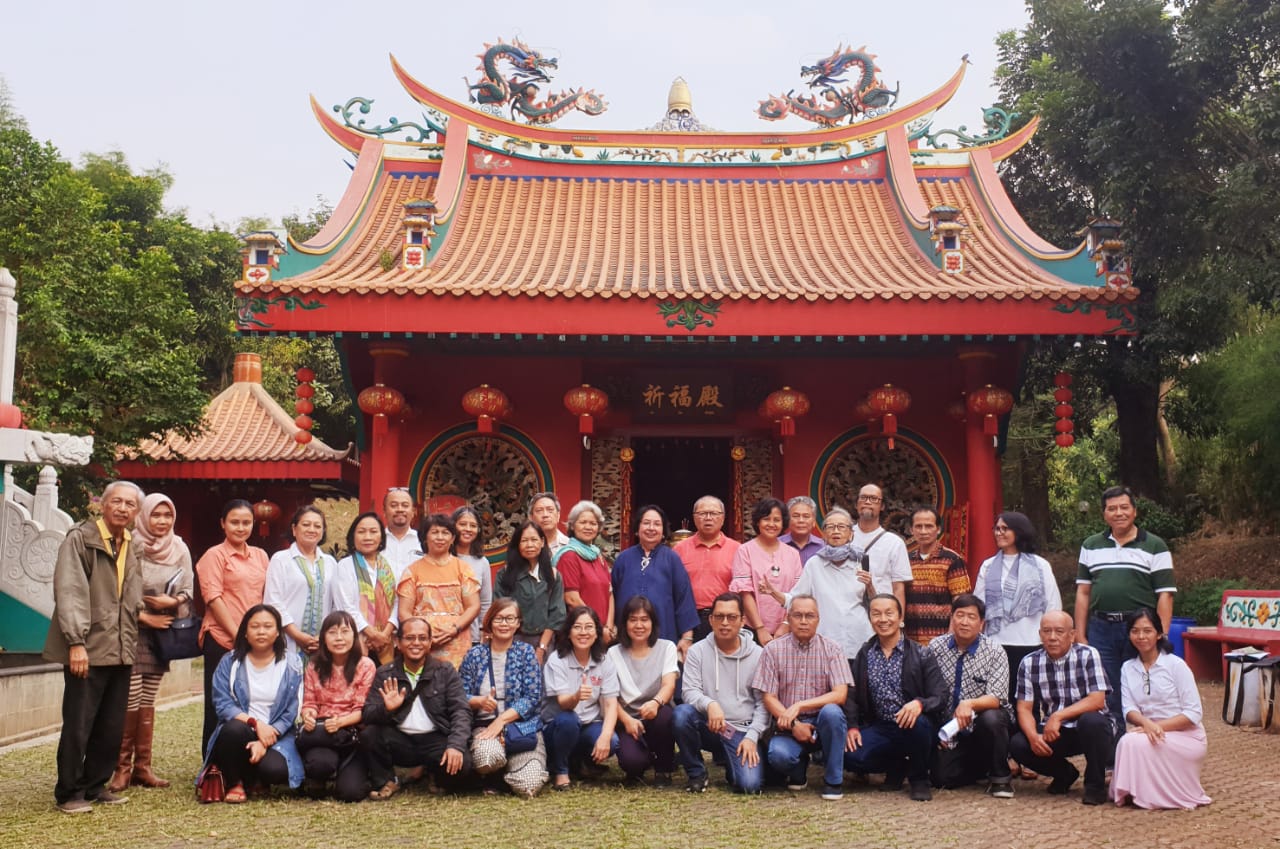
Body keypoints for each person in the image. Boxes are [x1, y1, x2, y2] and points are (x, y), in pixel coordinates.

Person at [44, 481, 144, 813]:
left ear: (136, 512)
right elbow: (70, 591)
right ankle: (70, 791)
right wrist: (76, 643)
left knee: (111, 723)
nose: (123, 508)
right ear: (103, 504)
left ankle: (95, 784)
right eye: (117, 501)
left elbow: (131, 598)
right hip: (87, 646)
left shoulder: (132, 544)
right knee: (79, 723)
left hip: (120, 647)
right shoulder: (81, 538)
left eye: (130, 504)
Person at [109, 492, 193, 792]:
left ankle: (143, 767)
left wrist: (172, 600)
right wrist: (145, 617)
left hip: (162, 635)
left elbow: (188, 589)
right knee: (130, 698)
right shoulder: (130, 545)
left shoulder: (179, 547)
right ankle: (122, 768)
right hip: (133, 631)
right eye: (156, 515)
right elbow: (116, 591)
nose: (161, 521)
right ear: (144, 516)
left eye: (167, 515)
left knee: (147, 699)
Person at [1076, 486, 1177, 729]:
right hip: (1101, 629)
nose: (1118, 513)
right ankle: (1115, 756)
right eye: (1112, 508)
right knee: (1106, 691)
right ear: (1104, 514)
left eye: (1124, 507)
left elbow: (1165, 594)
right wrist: (1080, 634)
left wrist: (1160, 632)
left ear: (1134, 511)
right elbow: (1083, 592)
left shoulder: (1155, 545)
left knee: (1142, 687)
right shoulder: (1091, 545)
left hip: (1139, 629)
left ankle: (1147, 746)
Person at [845, 594, 947, 802]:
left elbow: (940, 695)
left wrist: (920, 704)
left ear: (901, 618)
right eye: (876, 614)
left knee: (917, 723)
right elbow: (852, 695)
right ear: (870, 619)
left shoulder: (921, 653)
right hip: (882, 726)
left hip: (915, 725)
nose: (883, 619)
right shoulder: (865, 654)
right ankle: (897, 764)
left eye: (889, 613)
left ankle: (919, 778)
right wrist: (853, 726)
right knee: (849, 756)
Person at [200, 604, 304, 803]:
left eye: (267, 626)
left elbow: (293, 710)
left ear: (277, 633)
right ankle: (235, 783)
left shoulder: (292, 664)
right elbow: (223, 704)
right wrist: (256, 725)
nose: (261, 631)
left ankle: (256, 778)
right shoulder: (230, 662)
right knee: (232, 731)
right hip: (243, 728)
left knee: (275, 771)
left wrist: (266, 738)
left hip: (277, 733)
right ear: (245, 632)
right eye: (255, 626)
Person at [360, 616, 473, 799]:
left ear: (430, 642)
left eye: (422, 638)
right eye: (410, 638)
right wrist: (387, 709)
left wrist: (455, 746)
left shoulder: (445, 671)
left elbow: (461, 711)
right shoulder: (385, 673)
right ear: (398, 642)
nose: (416, 643)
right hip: (400, 740)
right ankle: (388, 780)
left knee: (464, 765)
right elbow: (368, 714)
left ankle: (434, 775)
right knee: (370, 734)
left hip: (435, 738)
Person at [1008, 611, 1114, 805]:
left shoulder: (1088, 654)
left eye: (1059, 631)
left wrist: (1058, 716)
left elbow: (1097, 700)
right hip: (1056, 732)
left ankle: (1095, 785)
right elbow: (1024, 708)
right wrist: (1033, 737)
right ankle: (1064, 773)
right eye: (1047, 631)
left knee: (1092, 721)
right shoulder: (1029, 662)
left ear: (1072, 635)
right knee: (1018, 744)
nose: (1052, 637)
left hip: (1090, 727)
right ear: (1040, 635)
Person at [1110, 608, 1210, 809]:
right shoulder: (1128, 668)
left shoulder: (1176, 665)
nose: (1141, 636)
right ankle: (1131, 792)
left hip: (1186, 735)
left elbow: (1193, 713)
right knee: (1127, 741)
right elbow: (1129, 708)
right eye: (1135, 631)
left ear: (1158, 634)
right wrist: (1147, 724)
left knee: (1136, 743)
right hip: (1148, 732)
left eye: (1147, 631)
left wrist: (1157, 727)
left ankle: (1153, 796)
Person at [753, 595, 851, 801]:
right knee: (778, 756)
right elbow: (768, 697)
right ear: (789, 618)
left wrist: (800, 705)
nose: (804, 621)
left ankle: (833, 780)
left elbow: (840, 695)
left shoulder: (832, 649)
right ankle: (798, 769)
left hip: (822, 723)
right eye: (798, 615)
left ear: (818, 619)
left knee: (833, 712)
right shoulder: (773, 650)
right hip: (788, 726)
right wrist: (795, 723)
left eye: (810, 616)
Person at [673, 592, 769, 794]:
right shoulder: (697, 651)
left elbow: (763, 704)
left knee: (749, 786)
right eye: (719, 617)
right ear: (711, 620)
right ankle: (696, 773)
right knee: (682, 715)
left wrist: (752, 737)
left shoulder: (758, 654)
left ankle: (731, 761)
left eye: (732, 617)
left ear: (743, 621)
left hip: (741, 731)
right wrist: (710, 704)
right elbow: (689, 691)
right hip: (711, 724)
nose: (725, 623)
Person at [197, 499, 270, 753]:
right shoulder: (213, 556)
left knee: (249, 702)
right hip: (221, 639)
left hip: (255, 641)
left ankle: (244, 760)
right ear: (223, 524)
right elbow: (214, 598)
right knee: (219, 703)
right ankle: (213, 765)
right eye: (234, 522)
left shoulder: (260, 556)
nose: (241, 528)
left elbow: (265, 597)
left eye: (246, 522)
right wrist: (239, 634)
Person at [925, 594, 1016, 797]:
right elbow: (928, 690)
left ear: (982, 623)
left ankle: (1000, 778)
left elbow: (997, 697)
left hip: (983, 726)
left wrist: (970, 704)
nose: (964, 622)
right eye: (960, 615)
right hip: (950, 731)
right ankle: (980, 766)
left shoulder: (994, 651)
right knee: (941, 779)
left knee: (992, 717)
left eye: (971, 617)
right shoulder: (935, 647)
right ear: (952, 618)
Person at [458, 599, 547, 796]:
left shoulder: (526, 653)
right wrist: (478, 701)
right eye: (499, 618)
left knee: (529, 785)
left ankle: (508, 778)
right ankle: (494, 774)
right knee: (487, 757)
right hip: (485, 727)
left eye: (510, 618)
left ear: (518, 623)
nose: (504, 623)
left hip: (522, 728)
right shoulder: (474, 655)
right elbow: (460, 694)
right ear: (489, 622)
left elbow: (533, 697)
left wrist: (502, 720)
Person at [972, 511, 1062, 703]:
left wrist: (1051, 636)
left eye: (1005, 528)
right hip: (997, 642)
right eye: (997, 528)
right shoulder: (988, 566)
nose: (999, 533)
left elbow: (1053, 605)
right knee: (1001, 697)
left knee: (1030, 698)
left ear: (1019, 531)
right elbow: (978, 605)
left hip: (1031, 641)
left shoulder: (1040, 565)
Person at [766, 507, 871, 661]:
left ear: (851, 534)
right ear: (823, 534)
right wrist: (773, 593)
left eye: (841, 527)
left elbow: (876, 601)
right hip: (826, 643)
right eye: (830, 527)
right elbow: (795, 600)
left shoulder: (862, 561)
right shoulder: (814, 564)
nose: (836, 531)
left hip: (859, 640)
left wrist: (871, 586)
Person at [297, 610, 376, 802]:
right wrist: (308, 716)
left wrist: (340, 722)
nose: (339, 638)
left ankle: (355, 772)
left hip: (350, 732)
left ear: (354, 636)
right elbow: (310, 702)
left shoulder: (365, 665)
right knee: (319, 763)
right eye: (332, 632)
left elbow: (361, 709)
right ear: (323, 638)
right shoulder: (314, 666)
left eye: (345, 631)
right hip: (322, 731)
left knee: (350, 793)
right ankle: (318, 775)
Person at [541, 605, 621, 790]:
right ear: (568, 632)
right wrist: (576, 696)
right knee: (569, 721)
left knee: (613, 741)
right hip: (558, 725)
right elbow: (563, 703)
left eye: (589, 627)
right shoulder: (557, 660)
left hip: (588, 724)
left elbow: (610, 704)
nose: (583, 633)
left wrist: (606, 736)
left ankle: (582, 763)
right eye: (577, 627)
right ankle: (561, 771)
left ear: (596, 633)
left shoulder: (604, 660)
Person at [607, 596, 679, 786]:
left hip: (656, 713)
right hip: (627, 720)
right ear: (624, 623)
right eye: (633, 619)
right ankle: (645, 758)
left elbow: (669, 685)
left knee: (665, 716)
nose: (639, 625)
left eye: (644, 619)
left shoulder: (667, 647)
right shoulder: (613, 653)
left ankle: (663, 768)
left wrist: (655, 703)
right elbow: (609, 697)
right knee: (633, 763)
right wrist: (626, 720)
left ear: (652, 622)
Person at [396, 513, 481, 668]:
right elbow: (404, 612)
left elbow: (473, 606)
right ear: (425, 538)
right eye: (434, 532)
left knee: (455, 687)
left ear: (453, 538)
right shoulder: (412, 571)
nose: (440, 537)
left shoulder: (463, 569)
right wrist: (422, 635)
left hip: (457, 640)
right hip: (421, 644)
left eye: (445, 533)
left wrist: (454, 629)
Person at [611, 505, 698, 656]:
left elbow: (684, 597)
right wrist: (610, 625)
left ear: (664, 531)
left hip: (664, 632)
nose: (651, 528)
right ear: (637, 528)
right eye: (646, 523)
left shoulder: (672, 559)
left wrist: (687, 636)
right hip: (626, 633)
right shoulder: (623, 559)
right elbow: (612, 595)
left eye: (657, 524)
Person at [265, 505, 340, 664]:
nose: (312, 529)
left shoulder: (330, 563)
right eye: (306, 524)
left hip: (323, 643)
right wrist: (297, 635)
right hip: (288, 641)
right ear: (294, 529)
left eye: (317, 526)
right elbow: (273, 601)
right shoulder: (281, 559)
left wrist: (324, 635)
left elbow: (336, 604)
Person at [729, 498, 803, 647]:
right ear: (757, 522)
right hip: (753, 629)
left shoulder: (792, 554)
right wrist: (760, 629)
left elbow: (798, 593)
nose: (771, 524)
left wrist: (786, 624)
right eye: (766, 519)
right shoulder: (745, 551)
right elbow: (745, 593)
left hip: (787, 629)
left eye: (777, 520)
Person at [331, 512, 398, 666]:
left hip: (387, 641)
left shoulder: (390, 566)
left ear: (382, 536)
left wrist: (385, 633)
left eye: (373, 532)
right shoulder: (345, 566)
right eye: (361, 532)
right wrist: (371, 633)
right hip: (356, 639)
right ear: (352, 537)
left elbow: (397, 603)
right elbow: (346, 606)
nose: (368, 537)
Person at [495, 520, 567, 663]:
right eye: (524, 541)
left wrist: (541, 648)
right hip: (511, 639)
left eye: (534, 540)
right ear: (517, 544)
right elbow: (497, 610)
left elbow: (556, 615)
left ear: (542, 542)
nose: (529, 545)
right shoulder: (505, 574)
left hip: (543, 641)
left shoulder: (552, 575)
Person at [672, 495, 740, 641]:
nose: (708, 518)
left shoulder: (738, 549)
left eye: (714, 513)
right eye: (702, 513)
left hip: (725, 619)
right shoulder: (679, 550)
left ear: (723, 518)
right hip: (690, 620)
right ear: (694, 517)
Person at [905, 507, 970, 646]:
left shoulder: (952, 559)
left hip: (942, 638)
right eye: (918, 526)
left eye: (928, 526)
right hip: (911, 640)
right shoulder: (906, 560)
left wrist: (950, 636)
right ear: (911, 530)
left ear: (938, 529)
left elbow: (961, 601)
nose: (923, 531)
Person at [553, 500, 616, 643]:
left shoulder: (598, 556)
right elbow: (571, 599)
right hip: (580, 633)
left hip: (602, 633)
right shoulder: (569, 556)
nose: (588, 527)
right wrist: (597, 628)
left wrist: (609, 627)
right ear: (572, 525)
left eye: (593, 523)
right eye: (583, 522)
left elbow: (610, 593)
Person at [850, 484, 912, 614]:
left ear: (882, 506)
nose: (867, 502)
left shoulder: (894, 543)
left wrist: (899, 622)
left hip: (881, 614)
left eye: (874, 498)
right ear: (856, 504)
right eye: (863, 497)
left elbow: (898, 588)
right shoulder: (843, 537)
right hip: (848, 612)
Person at [451, 505, 493, 646]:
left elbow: (485, 601)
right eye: (462, 524)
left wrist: (484, 629)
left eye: (473, 525)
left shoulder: (482, 562)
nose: (468, 529)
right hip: (443, 631)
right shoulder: (443, 557)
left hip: (472, 636)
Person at [381, 487, 421, 578]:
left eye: (405, 505)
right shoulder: (376, 540)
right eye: (394, 505)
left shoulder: (423, 541)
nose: (400, 509)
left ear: (413, 511)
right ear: (384, 511)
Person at [779, 495, 823, 564]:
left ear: (814, 521)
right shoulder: (777, 545)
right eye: (796, 516)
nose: (801, 520)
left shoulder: (823, 547)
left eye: (806, 516)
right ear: (787, 520)